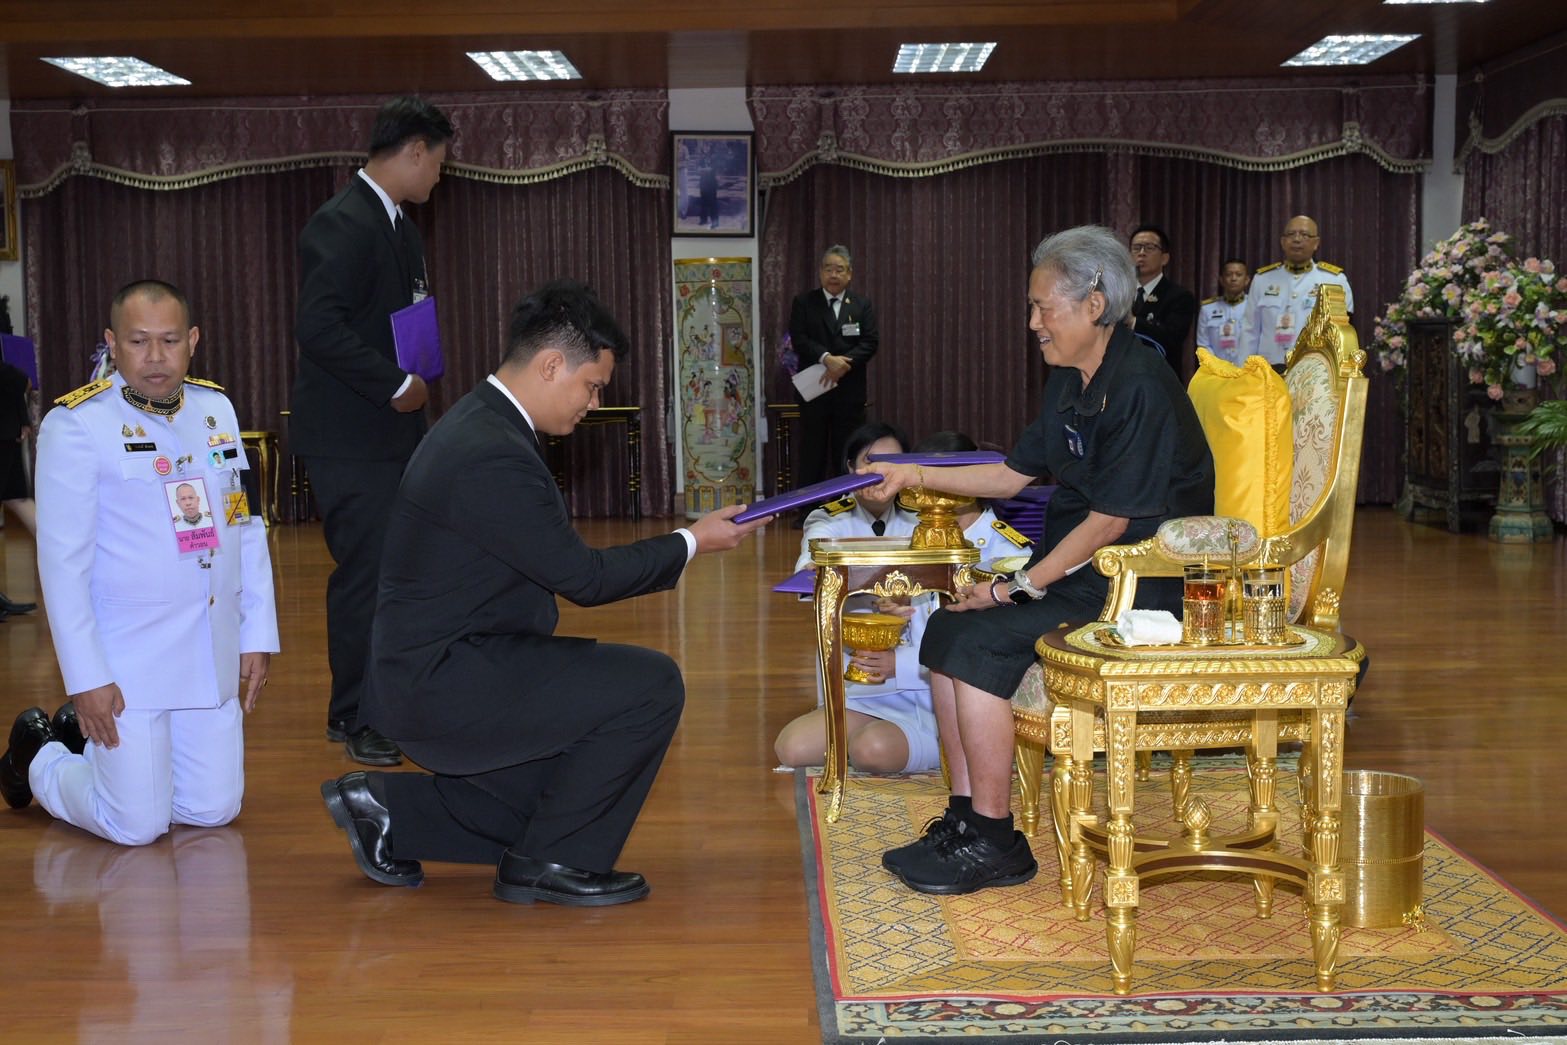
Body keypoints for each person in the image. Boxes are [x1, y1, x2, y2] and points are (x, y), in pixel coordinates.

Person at [321, 280, 766, 906]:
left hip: (449, 665)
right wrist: (692, 541)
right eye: (593, 386)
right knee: (650, 685)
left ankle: (388, 810)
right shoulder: (490, 451)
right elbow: (585, 578)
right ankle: (553, 862)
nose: (593, 404)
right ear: (551, 365)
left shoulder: (485, 424)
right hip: (441, 681)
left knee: (557, 799)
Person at [860, 226, 1215, 896]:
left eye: (1042, 307)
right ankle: (966, 820)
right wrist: (912, 473)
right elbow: (1009, 474)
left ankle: (997, 840)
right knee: (947, 629)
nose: (1032, 323)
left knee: (980, 638)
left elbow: (1110, 521)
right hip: (1082, 572)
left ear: (1094, 304)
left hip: (1142, 587)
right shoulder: (1069, 380)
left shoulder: (1139, 384)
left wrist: (1013, 588)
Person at [0, 280, 279, 845]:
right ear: (111, 342)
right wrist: (87, 679)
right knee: (135, 825)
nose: (155, 356)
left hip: (208, 649)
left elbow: (242, 525)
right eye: (138, 341)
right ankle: (39, 753)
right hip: (128, 662)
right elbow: (63, 567)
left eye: (170, 341)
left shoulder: (215, 409)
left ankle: (94, 753)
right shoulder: (78, 424)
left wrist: (256, 634)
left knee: (213, 809)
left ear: (193, 341)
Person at [292, 95, 453, 766]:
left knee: (396, 570)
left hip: (394, 433)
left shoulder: (400, 226)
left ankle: (382, 700)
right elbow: (317, 326)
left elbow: (403, 319)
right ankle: (355, 714)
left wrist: (420, 375)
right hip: (351, 439)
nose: (439, 175)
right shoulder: (342, 221)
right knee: (366, 575)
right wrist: (393, 384)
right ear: (414, 151)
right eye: (438, 162)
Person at [777, 430, 1032, 775]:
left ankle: (971, 748)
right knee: (793, 747)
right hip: (897, 690)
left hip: (962, 698)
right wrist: (895, 609)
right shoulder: (918, 535)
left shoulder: (1008, 551)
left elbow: (1003, 644)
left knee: (871, 750)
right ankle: (886, 737)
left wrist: (901, 663)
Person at [789, 246, 881, 497]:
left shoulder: (861, 304)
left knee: (847, 452)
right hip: (815, 391)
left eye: (839, 269)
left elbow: (870, 342)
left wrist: (843, 366)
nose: (833, 274)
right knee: (812, 453)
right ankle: (808, 508)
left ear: (849, 274)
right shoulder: (804, 303)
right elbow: (799, 339)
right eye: (828, 269)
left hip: (849, 394)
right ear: (820, 272)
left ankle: (848, 506)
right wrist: (827, 359)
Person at [791, 421, 915, 572]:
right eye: (870, 461)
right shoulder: (827, 520)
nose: (881, 471)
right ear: (851, 467)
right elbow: (810, 562)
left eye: (892, 462)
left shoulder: (919, 519)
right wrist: (812, 567)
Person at [1240, 215, 1354, 368]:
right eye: (1291, 234)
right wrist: (1243, 371)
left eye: (1305, 235)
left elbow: (1341, 334)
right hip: (1267, 370)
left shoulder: (1334, 280)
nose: (1297, 239)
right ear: (1282, 242)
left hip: (1314, 370)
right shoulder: (1263, 280)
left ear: (1316, 243)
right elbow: (1249, 331)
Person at [1127, 224, 1197, 374]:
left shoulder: (1180, 296)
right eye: (1136, 248)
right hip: (1122, 375)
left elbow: (1172, 337)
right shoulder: (1120, 293)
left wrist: (1132, 322)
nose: (1141, 253)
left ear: (1164, 258)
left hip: (1159, 376)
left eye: (1149, 248)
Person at [0, 358, 38, 619]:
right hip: (7, 429)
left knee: (18, 498)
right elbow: (17, 380)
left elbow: (16, 380)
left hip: (6, 430)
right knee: (18, 499)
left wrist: (22, 418)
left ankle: (78, 569)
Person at [1195, 257, 1252, 366]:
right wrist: (1216, 367)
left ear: (1247, 280)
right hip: (1216, 370)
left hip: (1248, 369)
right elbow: (1203, 345)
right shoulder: (1208, 309)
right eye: (1229, 274)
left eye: (1238, 274)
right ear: (1221, 279)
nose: (1233, 278)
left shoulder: (1254, 307)